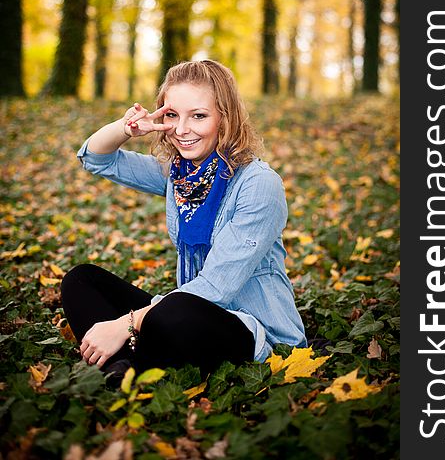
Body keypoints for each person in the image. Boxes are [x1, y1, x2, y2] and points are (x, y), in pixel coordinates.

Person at [61, 59, 307, 384]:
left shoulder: (258, 183)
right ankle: (122, 369)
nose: (181, 130)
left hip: (255, 332)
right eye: (172, 115)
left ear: (225, 117)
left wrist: (126, 324)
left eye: (199, 116)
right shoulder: (179, 175)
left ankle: (128, 357)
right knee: (81, 280)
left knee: (175, 313)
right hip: (184, 316)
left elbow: (214, 288)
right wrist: (126, 128)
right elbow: (96, 158)